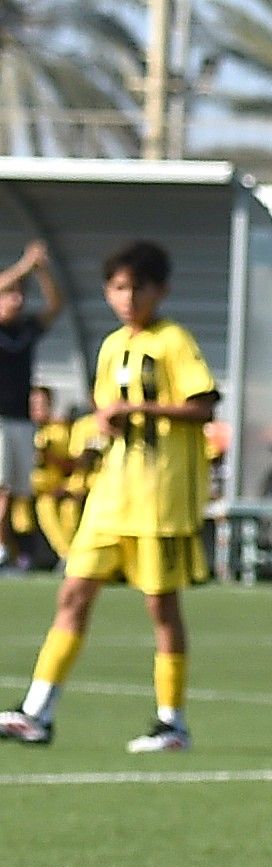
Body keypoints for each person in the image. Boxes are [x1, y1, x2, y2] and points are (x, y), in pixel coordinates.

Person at [2, 240, 218, 753]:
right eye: (118, 288)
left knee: (161, 607)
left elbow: (203, 406)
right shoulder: (111, 346)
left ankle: (172, 722)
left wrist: (140, 412)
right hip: (110, 496)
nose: (127, 298)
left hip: (158, 499)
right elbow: (108, 412)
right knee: (73, 594)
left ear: (161, 291)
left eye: (137, 288)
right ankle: (37, 712)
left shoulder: (173, 342)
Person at [0, 241, 63, 571]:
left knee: (15, 492)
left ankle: (9, 551)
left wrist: (42, 270)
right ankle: (3, 550)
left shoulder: (25, 329)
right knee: (1, 490)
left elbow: (56, 305)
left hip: (21, 420)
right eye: (10, 294)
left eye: (20, 295)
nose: (17, 300)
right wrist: (25, 264)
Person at [26, 388, 86, 565]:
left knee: (66, 508)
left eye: (41, 404)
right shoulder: (24, 430)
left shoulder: (60, 431)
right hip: (28, 492)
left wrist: (48, 457)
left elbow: (72, 465)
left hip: (56, 488)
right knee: (41, 506)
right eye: (33, 404)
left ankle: (68, 557)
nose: (37, 409)